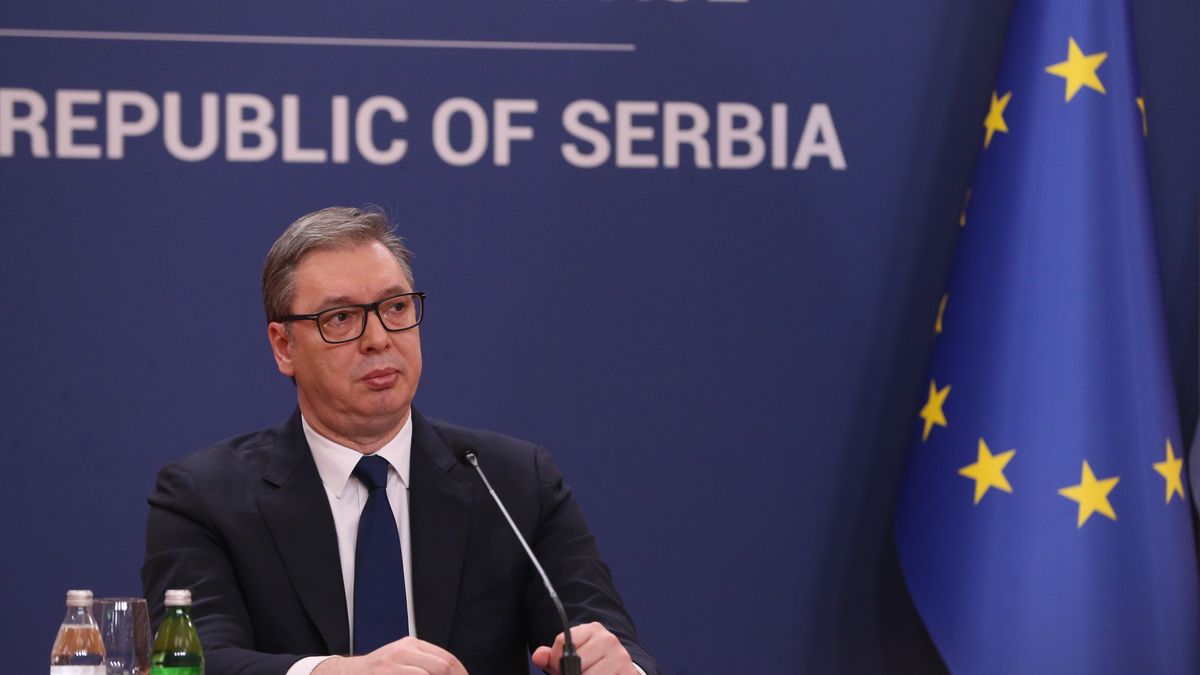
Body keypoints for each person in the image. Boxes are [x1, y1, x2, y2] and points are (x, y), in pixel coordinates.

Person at [141, 206, 659, 675]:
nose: (378, 339)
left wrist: (620, 668)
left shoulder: (514, 482)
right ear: (284, 347)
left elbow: (605, 635)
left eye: (395, 308)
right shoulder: (204, 497)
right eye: (340, 318)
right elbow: (193, 663)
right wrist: (334, 674)